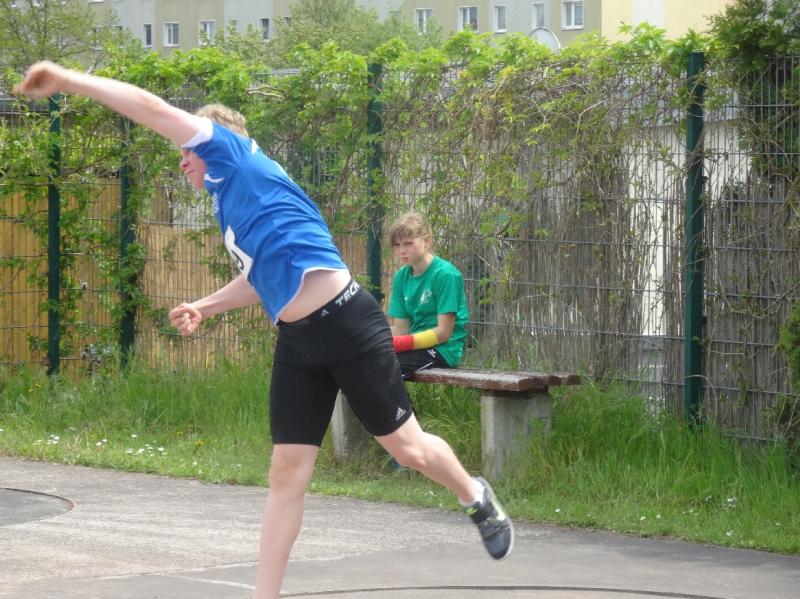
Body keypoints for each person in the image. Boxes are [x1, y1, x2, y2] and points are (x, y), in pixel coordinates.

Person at [13, 61, 514, 599]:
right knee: (286, 472)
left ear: (209, 140)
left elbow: (151, 108)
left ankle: (474, 495)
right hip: (299, 343)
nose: (181, 160)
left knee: (407, 448)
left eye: (186, 150)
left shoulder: (234, 155)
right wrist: (205, 305)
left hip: (348, 323)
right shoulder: (231, 198)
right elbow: (261, 279)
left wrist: (69, 81)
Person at [388, 212, 469, 379]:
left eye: (408, 243)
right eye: (397, 245)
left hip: (443, 349)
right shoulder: (400, 277)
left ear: (426, 241)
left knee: (385, 369)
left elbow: (443, 333)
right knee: (363, 361)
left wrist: (403, 343)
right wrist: (369, 338)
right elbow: (401, 329)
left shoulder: (445, 274)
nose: (402, 251)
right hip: (413, 347)